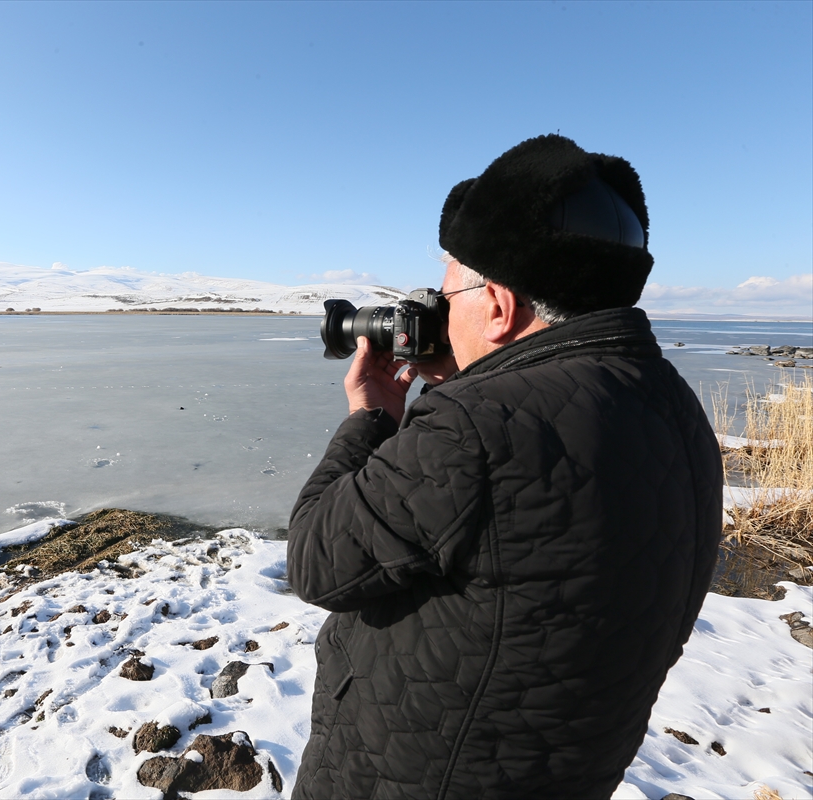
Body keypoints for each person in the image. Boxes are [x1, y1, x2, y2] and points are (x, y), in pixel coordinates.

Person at [287, 134, 722, 799]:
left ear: (498, 305)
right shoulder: (672, 405)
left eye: (449, 283)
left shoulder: (476, 430)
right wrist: (475, 378)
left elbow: (316, 559)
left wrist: (371, 416)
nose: (437, 302)